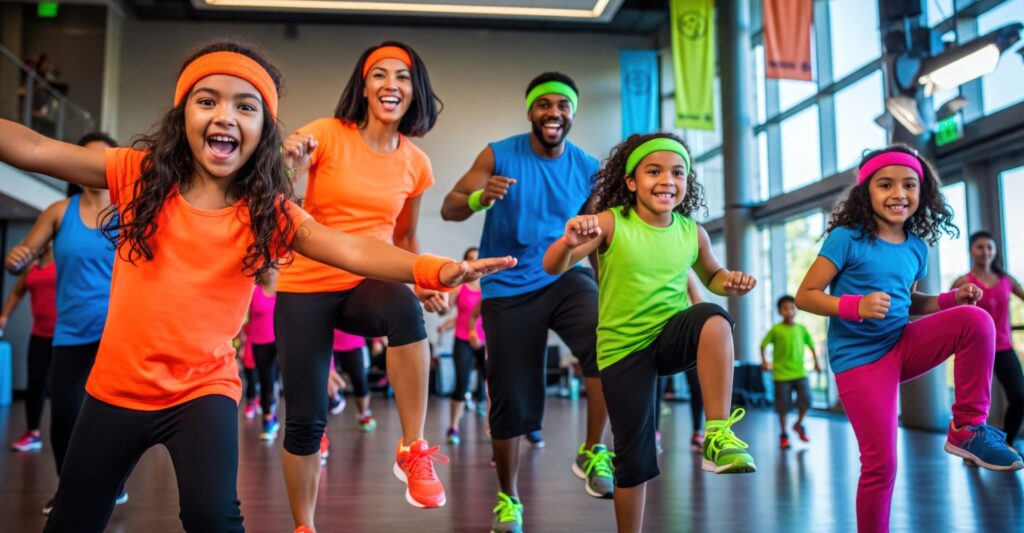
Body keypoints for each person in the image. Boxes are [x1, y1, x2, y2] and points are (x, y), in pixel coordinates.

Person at [0, 40, 513, 533]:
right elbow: (37, 147)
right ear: (183, 118)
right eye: (208, 101)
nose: (225, 116)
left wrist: (433, 268)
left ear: (263, 129)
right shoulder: (138, 173)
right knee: (74, 519)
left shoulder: (268, 212)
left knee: (213, 517)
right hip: (115, 390)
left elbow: (353, 248)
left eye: (245, 107)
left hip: (202, 393)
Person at [795, 144, 1023, 533]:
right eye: (885, 185)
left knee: (975, 320)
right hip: (861, 360)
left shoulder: (917, 247)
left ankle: (966, 429)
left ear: (923, 193)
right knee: (881, 464)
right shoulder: (846, 239)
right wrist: (855, 306)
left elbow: (907, 301)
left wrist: (952, 299)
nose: (898, 194)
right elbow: (806, 295)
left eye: (909, 185)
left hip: (902, 343)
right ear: (866, 192)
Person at [543, 132, 757, 533]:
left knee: (714, 318)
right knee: (634, 456)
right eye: (654, 171)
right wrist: (568, 242)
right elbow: (552, 266)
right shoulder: (610, 223)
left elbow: (712, 276)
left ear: (687, 182)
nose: (667, 180)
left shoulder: (692, 231)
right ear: (630, 182)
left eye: (678, 173)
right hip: (623, 351)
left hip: (669, 336)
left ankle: (716, 434)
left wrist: (731, 282)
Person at [276, 41, 451, 525]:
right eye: (380, 74)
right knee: (307, 420)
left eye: (403, 76)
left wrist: (421, 278)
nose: (391, 85)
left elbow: (406, 234)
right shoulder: (324, 134)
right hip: (305, 283)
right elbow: (278, 201)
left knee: (403, 308)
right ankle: (303, 524)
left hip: (367, 280)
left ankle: (412, 447)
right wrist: (294, 164)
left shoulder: (416, 162)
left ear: (416, 91)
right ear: (364, 85)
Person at [441, 71, 615, 532]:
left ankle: (593, 449)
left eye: (562, 105)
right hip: (506, 285)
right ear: (531, 111)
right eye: (544, 105)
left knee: (604, 343)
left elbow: (595, 239)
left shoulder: (588, 169)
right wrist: (480, 196)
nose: (553, 113)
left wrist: (606, 288)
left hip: (562, 275)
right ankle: (509, 498)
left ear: (572, 113)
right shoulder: (500, 154)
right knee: (511, 396)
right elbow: (449, 206)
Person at [5, 131, 121, 515]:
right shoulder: (59, 211)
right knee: (64, 416)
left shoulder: (128, 212)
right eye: (83, 159)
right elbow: (27, 253)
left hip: (116, 333)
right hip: (68, 332)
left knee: (109, 419)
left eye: (100, 161)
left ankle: (112, 485)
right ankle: (69, 491)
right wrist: (18, 257)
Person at [952, 231, 1024, 448]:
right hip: (975, 350)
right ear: (971, 251)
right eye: (980, 247)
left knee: (1020, 396)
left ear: (994, 251)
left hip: (1003, 347)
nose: (985, 252)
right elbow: (948, 312)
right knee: (972, 404)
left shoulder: (1006, 280)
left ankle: (1006, 444)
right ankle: (970, 449)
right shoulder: (963, 281)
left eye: (989, 247)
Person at [1, 244, 56, 452]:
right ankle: (33, 433)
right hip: (40, 333)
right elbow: (16, 293)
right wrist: (4, 316)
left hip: (66, 336)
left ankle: (76, 438)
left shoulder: (66, 260)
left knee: (65, 390)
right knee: (36, 384)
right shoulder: (32, 266)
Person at [436, 246, 488, 445]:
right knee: (462, 383)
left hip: (484, 340)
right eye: (470, 259)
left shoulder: (488, 286)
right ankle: (453, 427)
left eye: (477, 258)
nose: (474, 261)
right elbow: (451, 312)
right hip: (462, 339)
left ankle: (492, 428)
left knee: (490, 384)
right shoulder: (460, 287)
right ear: (465, 262)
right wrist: (440, 308)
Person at [760, 295, 820, 449]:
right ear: (780, 311)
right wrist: (764, 361)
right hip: (781, 375)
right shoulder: (776, 330)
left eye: (792, 308)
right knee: (783, 406)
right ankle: (784, 434)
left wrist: (816, 363)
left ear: (796, 310)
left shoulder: (801, 330)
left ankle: (799, 425)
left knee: (806, 400)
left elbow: (812, 346)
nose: (789, 311)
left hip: (800, 373)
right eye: (785, 308)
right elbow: (763, 345)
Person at [245, 268, 280, 441]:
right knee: (266, 382)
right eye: (267, 268)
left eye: (274, 267)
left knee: (278, 382)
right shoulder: (253, 291)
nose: (271, 272)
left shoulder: (283, 291)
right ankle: (268, 421)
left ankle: (274, 417)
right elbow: (244, 319)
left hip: (280, 342)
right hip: (259, 343)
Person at [331, 330, 377, 432]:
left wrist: (376, 340)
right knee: (324, 383)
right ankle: (320, 428)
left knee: (360, 380)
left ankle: (364, 415)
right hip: (328, 344)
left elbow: (369, 318)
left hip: (354, 345)